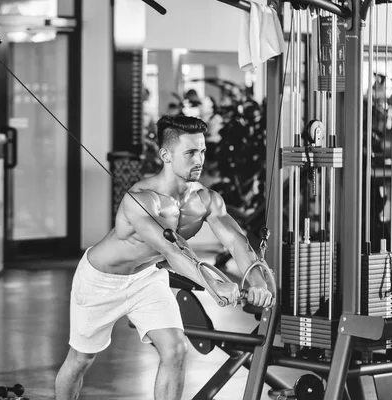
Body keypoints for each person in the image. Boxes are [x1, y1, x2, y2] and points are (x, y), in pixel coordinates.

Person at [55, 115, 275, 400]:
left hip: (146, 278)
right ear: (165, 155)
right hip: (101, 280)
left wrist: (257, 281)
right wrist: (215, 285)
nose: (199, 160)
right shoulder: (142, 199)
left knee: (176, 348)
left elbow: (237, 242)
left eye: (203, 151)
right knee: (81, 360)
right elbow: (173, 250)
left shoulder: (207, 200)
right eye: (191, 152)